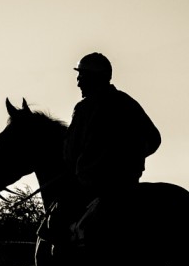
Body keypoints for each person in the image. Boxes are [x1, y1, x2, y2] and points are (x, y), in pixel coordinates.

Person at [63, 52, 161, 198]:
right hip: (127, 182)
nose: (78, 83)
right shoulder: (127, 102)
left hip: (92, 186)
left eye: (82, 77)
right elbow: (154, 139)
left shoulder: (84, 108)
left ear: (94, 78)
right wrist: (133, 160)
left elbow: (70, 151)